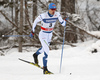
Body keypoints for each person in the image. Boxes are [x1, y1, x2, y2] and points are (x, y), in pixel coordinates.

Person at [30, 3, 68, 74]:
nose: (53, 11)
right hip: (43, 34)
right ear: (49, 9)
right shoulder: (43, 15)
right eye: (52, 9)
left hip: (49, 34)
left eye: (54, 9)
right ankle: (45, 69)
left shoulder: (57, 14)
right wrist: (33, 31)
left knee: (44, 49)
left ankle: (35, 55)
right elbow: (35, 21)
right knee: (47, 50)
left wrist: (65, 21)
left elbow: (63, 23)